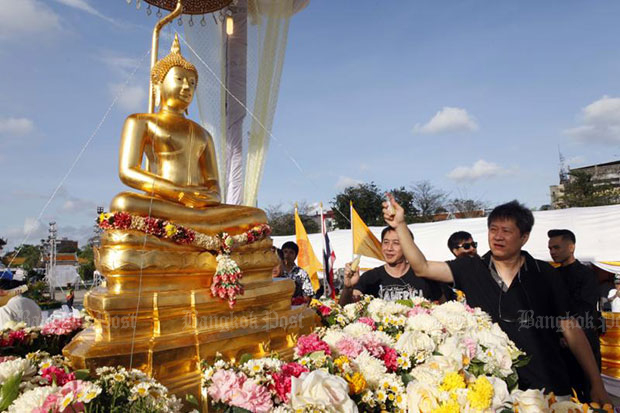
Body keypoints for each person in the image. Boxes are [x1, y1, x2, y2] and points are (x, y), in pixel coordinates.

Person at [383, 196, 611, 404]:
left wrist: (596, 383)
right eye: (493, 229)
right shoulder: (471, 267)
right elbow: (422, 268)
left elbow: (571, 329)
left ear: (524, 236)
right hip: (493, 393)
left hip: (549, 390)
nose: (498, 236)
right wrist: (400, 226)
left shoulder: (545, 274)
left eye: (506, 231)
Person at [548, 229, 602, 401]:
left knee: (589, 393)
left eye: (556, 247)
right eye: (550, 248)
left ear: (571, 247)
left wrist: (569, 334)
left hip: (584, 341)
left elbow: (586, 307)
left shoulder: (586, 274)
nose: (552, 252)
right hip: (559, 347)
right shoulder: (552, 275)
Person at [339, 227, 443, 306]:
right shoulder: (370, 277)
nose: (389, 248)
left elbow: (444, 306)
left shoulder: (424, 275)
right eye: (386, 242)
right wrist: (348, 287)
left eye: (396, 243)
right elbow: (346, 308)